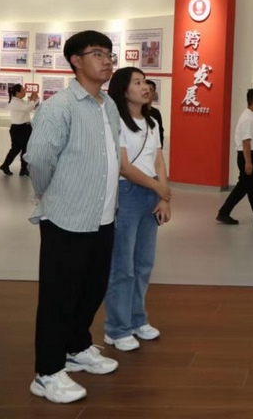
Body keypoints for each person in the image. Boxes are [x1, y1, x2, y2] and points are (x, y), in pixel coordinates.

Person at [24, 31, 122, 404]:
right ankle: (47, 372)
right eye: (97, 53)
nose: (107, 60)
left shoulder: (108, 105)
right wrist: (49, 194)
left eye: (109, 54)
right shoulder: (59, 107)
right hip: (66, 217)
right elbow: (39, 159)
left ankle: (76, 347)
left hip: (103, 217)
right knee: (59, 297)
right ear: (76, 61)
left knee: (91, 289)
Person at [103, 67, 171, 351]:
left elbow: (158, 161)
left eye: (145, 82)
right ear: (123, 90)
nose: (145, 87)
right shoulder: (117, 121)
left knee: (143, 264)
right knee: (123, 266)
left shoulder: (152, 121)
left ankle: (137, 319)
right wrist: (158, 188)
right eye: (137, 83)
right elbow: (124, 166)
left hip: (151, 195)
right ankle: (116, 329)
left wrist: (164, 196)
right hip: (128, 194)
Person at [216, 88, 253, 224]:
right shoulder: (248, 119)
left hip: (251, 156)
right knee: (243, 186)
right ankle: (223, 213)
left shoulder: (251, 116)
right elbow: (246, 142)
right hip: (249, 156)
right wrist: (248, 162)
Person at [0, 84, 39, 176]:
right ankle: (5, 165)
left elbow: (29, 106)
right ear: (17, 92)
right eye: (23, 90)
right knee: (16, 149)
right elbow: (27, 108)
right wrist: (33, 100)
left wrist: (34, 99)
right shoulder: (14, 102)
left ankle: (24, 169)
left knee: (26, 149)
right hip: (18, 128)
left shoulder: (20, 101)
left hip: (25, 127)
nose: (25, 92)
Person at [145, 80, 164, 147]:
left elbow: (160, 132)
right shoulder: (136, 112)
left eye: (150, 90)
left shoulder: (156, 113)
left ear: (154, 94)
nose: (147, 92)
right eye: (145, 89)